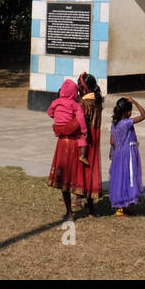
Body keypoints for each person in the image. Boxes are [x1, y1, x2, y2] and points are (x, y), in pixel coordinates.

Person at [47, 79, 85, 220]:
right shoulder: (77, 106)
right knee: (74, 176)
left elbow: (50, 113)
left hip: (63, 144)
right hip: (75, 144)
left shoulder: (57, 103)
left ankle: (69, 211)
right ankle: (78, 200)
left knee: (63, 178)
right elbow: (80, 124)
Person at [108, 96, 145, 216]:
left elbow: (112, 141)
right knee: (129, 178)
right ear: (128, 111)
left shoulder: (115, 124)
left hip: (118, 155)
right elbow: (144, 115)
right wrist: (135, 101)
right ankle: (121, 208)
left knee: (121, 178)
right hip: (128, 154)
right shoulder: (126, 123)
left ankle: (123, 206)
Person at [76, 72, 104, 214]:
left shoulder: (85, 102)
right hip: (95, 135)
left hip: (86, 136)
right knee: (91, 167)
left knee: (82, 166)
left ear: (84, 88)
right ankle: (89, 201)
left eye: (79, 85)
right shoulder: (97, 99)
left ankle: (80, 197)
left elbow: (81, 122)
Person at [46, 79, 89, 165]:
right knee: (81, 138)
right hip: (69, 127)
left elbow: (49, 112)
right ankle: (83, 156)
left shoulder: (55, 102)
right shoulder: (75, 105)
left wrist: (57, 117)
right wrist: (84, 131)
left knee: (60, 129)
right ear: (74, 93)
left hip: (57, 127)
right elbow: (81, 118)